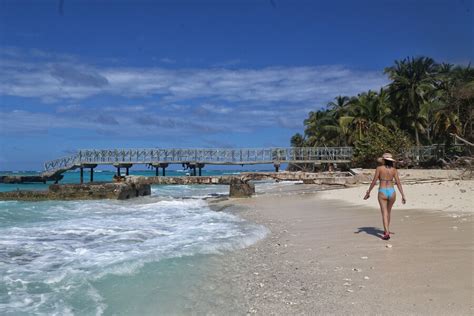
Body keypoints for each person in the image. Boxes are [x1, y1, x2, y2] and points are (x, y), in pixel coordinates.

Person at [363, 153, 406, 240]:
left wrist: (368, 192)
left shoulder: (379, 168)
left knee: (384, 213)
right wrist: (403, 195)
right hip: (392, 191)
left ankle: (386, 232)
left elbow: (374, 181)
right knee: (388, 212)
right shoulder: (394, 170)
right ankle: (387, 229)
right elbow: (398, 183)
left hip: (382, 191)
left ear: (383, 160)